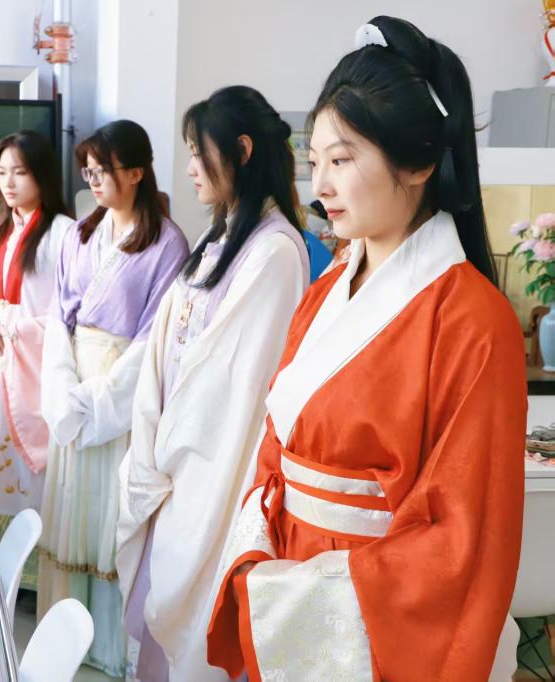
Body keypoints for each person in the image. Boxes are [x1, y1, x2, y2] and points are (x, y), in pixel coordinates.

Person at [206, 17, 526, 681]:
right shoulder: (326, 291)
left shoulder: (474, 320)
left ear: (419, 162)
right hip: (283, 573)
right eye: (315, 162)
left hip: (376, 622)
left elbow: (465, 539)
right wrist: (258, 562)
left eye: (342, 160)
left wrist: (304, 596)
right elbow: (276, 443)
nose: (319, 186)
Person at [116, 86, 311, 682]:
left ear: (242, 151)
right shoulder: (220, 238)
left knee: (198, 632)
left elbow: (229, 392)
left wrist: (165, 450)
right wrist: (149, 445)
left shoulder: (274, 252)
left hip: (213, 473)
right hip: (173, 464)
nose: (190, 168)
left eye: (199, 153)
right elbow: (163, 351)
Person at [38, 120, 189, 676]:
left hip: (118, 390)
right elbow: (57, 318)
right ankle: (63, 639)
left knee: (109, 512)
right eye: (89, 171)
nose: (94, 180)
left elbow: (154, 342)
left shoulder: (168, 244)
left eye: (103, 170)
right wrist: (62, 393)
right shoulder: (80, 234)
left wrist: (96, 403)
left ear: (137, 171)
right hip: (73, 378)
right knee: (71, 506)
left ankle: (108, 645)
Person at [0, 130, 74, 588]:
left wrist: (17, 326)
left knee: (30, 468)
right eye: (2, 172)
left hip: (33, 366)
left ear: (42, 175)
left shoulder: (64, 234)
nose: (8, 182)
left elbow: (68, 309)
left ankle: (31, 579)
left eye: (19, 172)